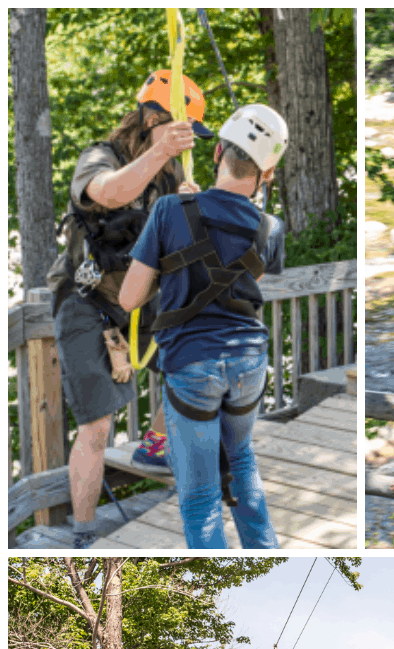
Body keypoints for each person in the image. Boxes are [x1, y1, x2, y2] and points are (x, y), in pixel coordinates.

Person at [47, 70, 216, 549]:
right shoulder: (101, 158)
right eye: (176, 133)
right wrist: (161, 153)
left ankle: (155, 444)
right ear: (151, 119)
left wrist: (193, 210)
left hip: (143, 299)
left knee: (199, 355)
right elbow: (108, 193)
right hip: (88, 301)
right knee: (97, 426)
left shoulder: (171, 174)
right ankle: (83, 535)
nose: (184, 146)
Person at [118, 100, 288, 549]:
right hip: (250, 363)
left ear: (217, 154)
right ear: (267, 174)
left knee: (200, 498)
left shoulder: (171, 211)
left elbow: (130, 297)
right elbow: (240, 281)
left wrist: (182, 218)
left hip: (192, 365)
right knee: (242, 458)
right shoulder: (271, 227)